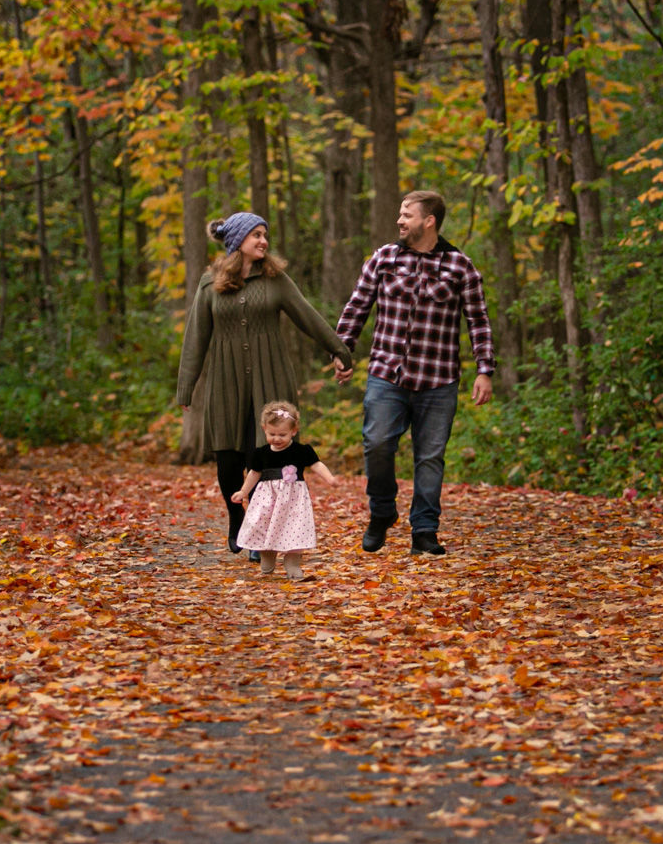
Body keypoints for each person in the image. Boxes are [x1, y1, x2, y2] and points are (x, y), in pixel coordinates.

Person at [176, 211, 353, 556]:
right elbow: (196, 337)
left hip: (270, 375)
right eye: (256, 235)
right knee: (227, 458)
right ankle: (236, 519)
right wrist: (186, 386)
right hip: (225, 378)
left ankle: (260, 533)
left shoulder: (276, 280)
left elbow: (308, 316)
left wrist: (338, 350)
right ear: (237, 241)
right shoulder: (210, 283)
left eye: (264, 235)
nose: (263, 241)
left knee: (268, 457)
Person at [335, 189, 495, 556]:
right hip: (387, 374)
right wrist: (342, 352)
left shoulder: (460, 267)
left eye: (407, 214)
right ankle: (382, 511)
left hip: (439, 380)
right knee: (376, 444)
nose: (399, 220)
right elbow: (357, 306)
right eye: (400, 213)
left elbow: (479, 321)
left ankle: (424, 529)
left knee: (430, 457)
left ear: (429, 221)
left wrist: (484, 370)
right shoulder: (384, 258)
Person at [229, 401, 335, 580]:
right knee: (264, 525)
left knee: (294, 528)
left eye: (282, 434)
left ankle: (292, 562)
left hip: (293, 500)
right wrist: (243, 491)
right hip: (267, 499)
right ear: (264, 429)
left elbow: (316, 464)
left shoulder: (301, 451)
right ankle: (267, 555)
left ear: (294, 431)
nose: (276, 438)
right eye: (272, 434)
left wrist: (329, 478)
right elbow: (254, 474)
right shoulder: (261, 453)